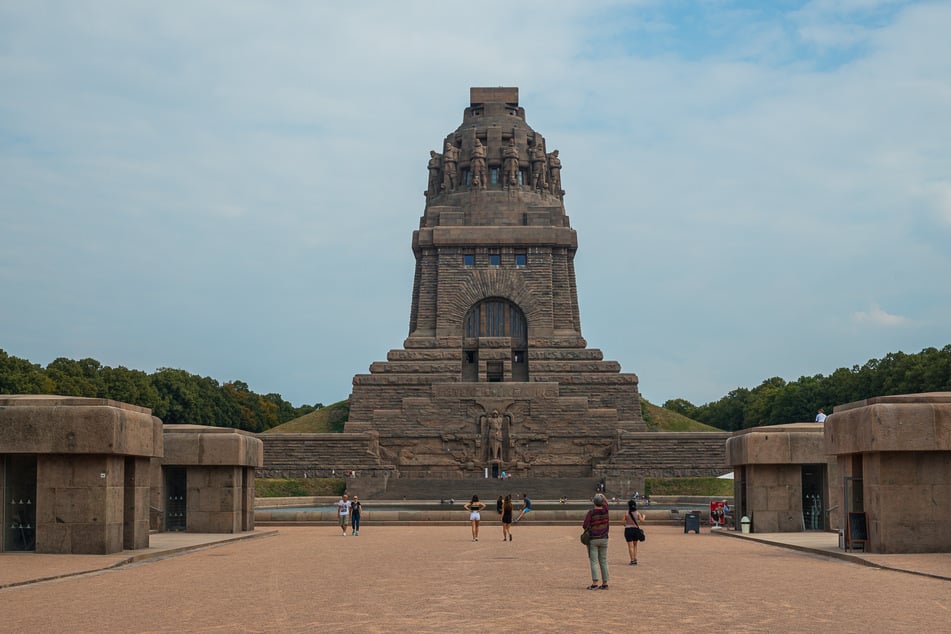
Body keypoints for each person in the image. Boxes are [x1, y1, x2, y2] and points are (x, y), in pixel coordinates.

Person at [583, 493, 610, 589]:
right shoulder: (605, 510)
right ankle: (605, 583)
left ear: (593, 502)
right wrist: (602, 495)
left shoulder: (591, 512)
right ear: (602, 502)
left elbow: (585, 525)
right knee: (603, 561)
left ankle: (595, 583)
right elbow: (607, 503)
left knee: (594, 561)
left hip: (594, 539)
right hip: (604, 538)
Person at [624, 499, 645, 565]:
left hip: (628, 530)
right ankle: (635, 558)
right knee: (635, 545)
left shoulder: (626, 513)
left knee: (630, 546)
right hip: (635, 530)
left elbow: (622, 522)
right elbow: (642, 521)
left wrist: (626, 525)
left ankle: (632, 560)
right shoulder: (637, 513)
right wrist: (643, 517)